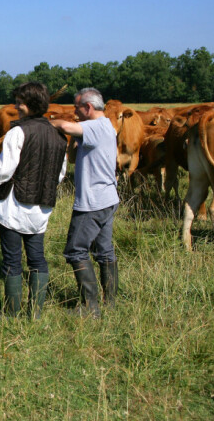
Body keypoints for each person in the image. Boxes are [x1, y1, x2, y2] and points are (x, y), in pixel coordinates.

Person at [0, 82, 68, 318]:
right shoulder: (58, 135)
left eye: (19, 101)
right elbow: (60, 175)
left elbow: (2, 172)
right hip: (43, 206)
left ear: (27, 104)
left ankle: (11, 313)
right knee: (37, 258)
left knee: (12, 259)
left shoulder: (17, 132)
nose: (15, 106)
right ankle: (35, 314)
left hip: (15, 205)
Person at [50, 87, 119, 318]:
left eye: (76, 107)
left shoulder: (95, 127)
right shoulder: (106, 125)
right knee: (104, 251)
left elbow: (65, 126)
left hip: (92, 203)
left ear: (88, 107)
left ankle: (90, 309)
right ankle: (110, 303)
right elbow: (73, 155)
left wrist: (42, 123)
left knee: (75, 251)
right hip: (108, 198)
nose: (74, 112)